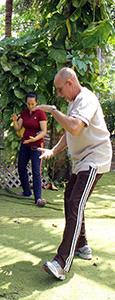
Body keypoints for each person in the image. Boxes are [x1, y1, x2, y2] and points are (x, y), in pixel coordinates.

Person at [36, 67, 112, 281]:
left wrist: (52, 110)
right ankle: (82, 245)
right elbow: (69, 132)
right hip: (82, 161)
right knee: (70, 198)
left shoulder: (86, 99)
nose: (60, 94)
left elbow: (76, 127)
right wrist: (53, 150)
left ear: (70, 82)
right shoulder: (73, 102)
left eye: (60, 89)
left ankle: (62, 262)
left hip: (95, 157)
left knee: (76, 203)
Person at [11, 92, 47, 207]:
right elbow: (18, 128)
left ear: (36, 102)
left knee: (36, 170)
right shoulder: (25, 113)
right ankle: (27, 192)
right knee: (21, 167)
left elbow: (43, 131)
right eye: (28, 104)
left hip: (36, 146)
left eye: (32, 104)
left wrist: (34, 139)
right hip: (25, 145)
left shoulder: (41, 114)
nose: (30, 106)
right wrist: (14, 120)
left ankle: (38, 198)